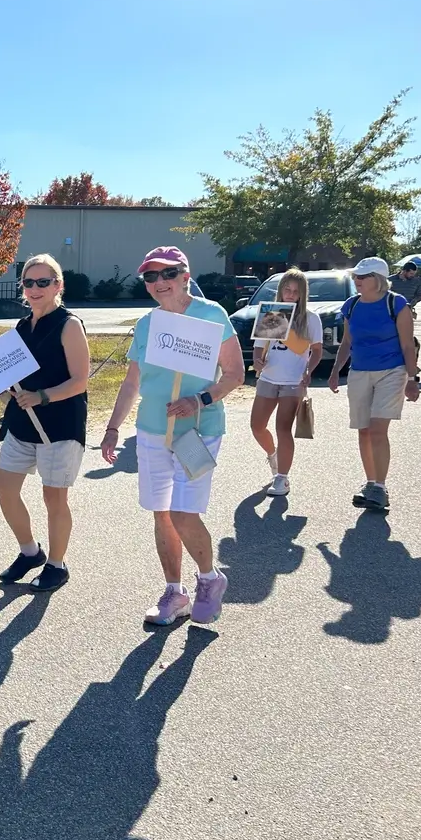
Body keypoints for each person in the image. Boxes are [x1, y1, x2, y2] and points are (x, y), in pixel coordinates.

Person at [99, 247, 244, 625]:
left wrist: (200, 399)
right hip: (151, 431)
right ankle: (174, 591)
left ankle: (210, 579)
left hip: (198, 432)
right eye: (150, 276)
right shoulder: (148, 323)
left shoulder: (212, 315)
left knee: (183, 513)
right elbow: (133, 380)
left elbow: (234, 374)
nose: (159, 282)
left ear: (185, 276)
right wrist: (114, 427)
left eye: (168, 274)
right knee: (162, 513)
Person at [0, 254, 90, 593]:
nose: (35, 288)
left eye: (43, 282)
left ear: (58, 286)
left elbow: (80, 381)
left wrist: (42, 397)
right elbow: (15, 376)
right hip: (22, 425)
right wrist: (0, 382)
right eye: (29, 282)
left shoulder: (69, 324)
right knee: (5, 489)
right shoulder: (22, 327)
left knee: (54, 499)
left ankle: (57, 564)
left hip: (60, 427)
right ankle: (31, 552)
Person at [328, 257, 420, 512]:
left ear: (378, 280)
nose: (356, 280)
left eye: (362, 277)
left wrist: (412, 379)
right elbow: (347, 342)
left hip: (392, 371)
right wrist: (336, 371)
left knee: (378, 429)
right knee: (364, 430)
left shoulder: (396, 304)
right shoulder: (351, 306)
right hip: (359, 372)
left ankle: (380, 487)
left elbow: (406, 345)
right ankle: (370, 483)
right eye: (355, 276)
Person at [250, 268, 323, 497]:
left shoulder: (311, 318)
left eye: (295, 291)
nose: (290, 295)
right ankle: (273, 456)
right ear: (280, 290)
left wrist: (309, 370)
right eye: (287, 290)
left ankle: (282, 478)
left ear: (302, 294)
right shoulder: (272, 315)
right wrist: (257, 362)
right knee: (257, 426)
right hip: (269, 378)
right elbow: (258, 349)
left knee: (283, 428)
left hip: (293, 381)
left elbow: (317, 350)